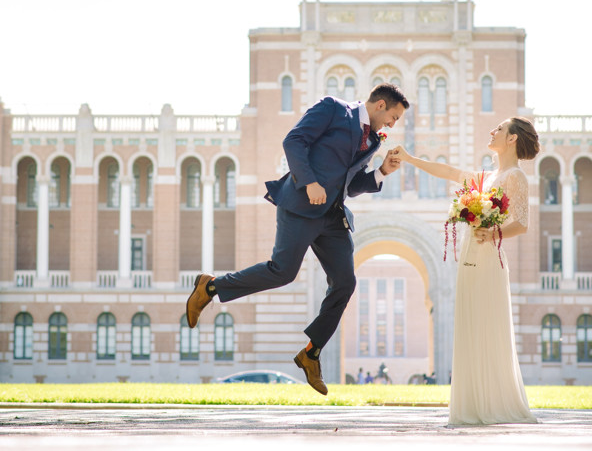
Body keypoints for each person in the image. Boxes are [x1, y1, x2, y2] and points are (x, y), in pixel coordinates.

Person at [185, 84, 409, 395]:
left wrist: (382, 171)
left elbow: (351, 183)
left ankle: (311, 353)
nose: (393, 125)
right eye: (394, 117)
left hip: (333, 217)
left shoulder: (372, 141)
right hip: (301, 206)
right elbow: (294, 141)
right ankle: (210, 287)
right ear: (381, 104)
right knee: (283, 272)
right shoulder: (333, 108)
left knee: (345, 282)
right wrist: (310, 182)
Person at [389, 116, 540, 425]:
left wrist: (494, 233)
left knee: (488, 325)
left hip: (490, 261)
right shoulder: (486, 177)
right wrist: (410, 159)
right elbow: (448, 172)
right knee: (469, 325)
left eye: (499, 128)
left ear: (512, 139)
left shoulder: (515, 177)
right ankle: (471, 406)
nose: (492, 131)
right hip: (469, 259)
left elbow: (521, 223)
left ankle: (495, 404)